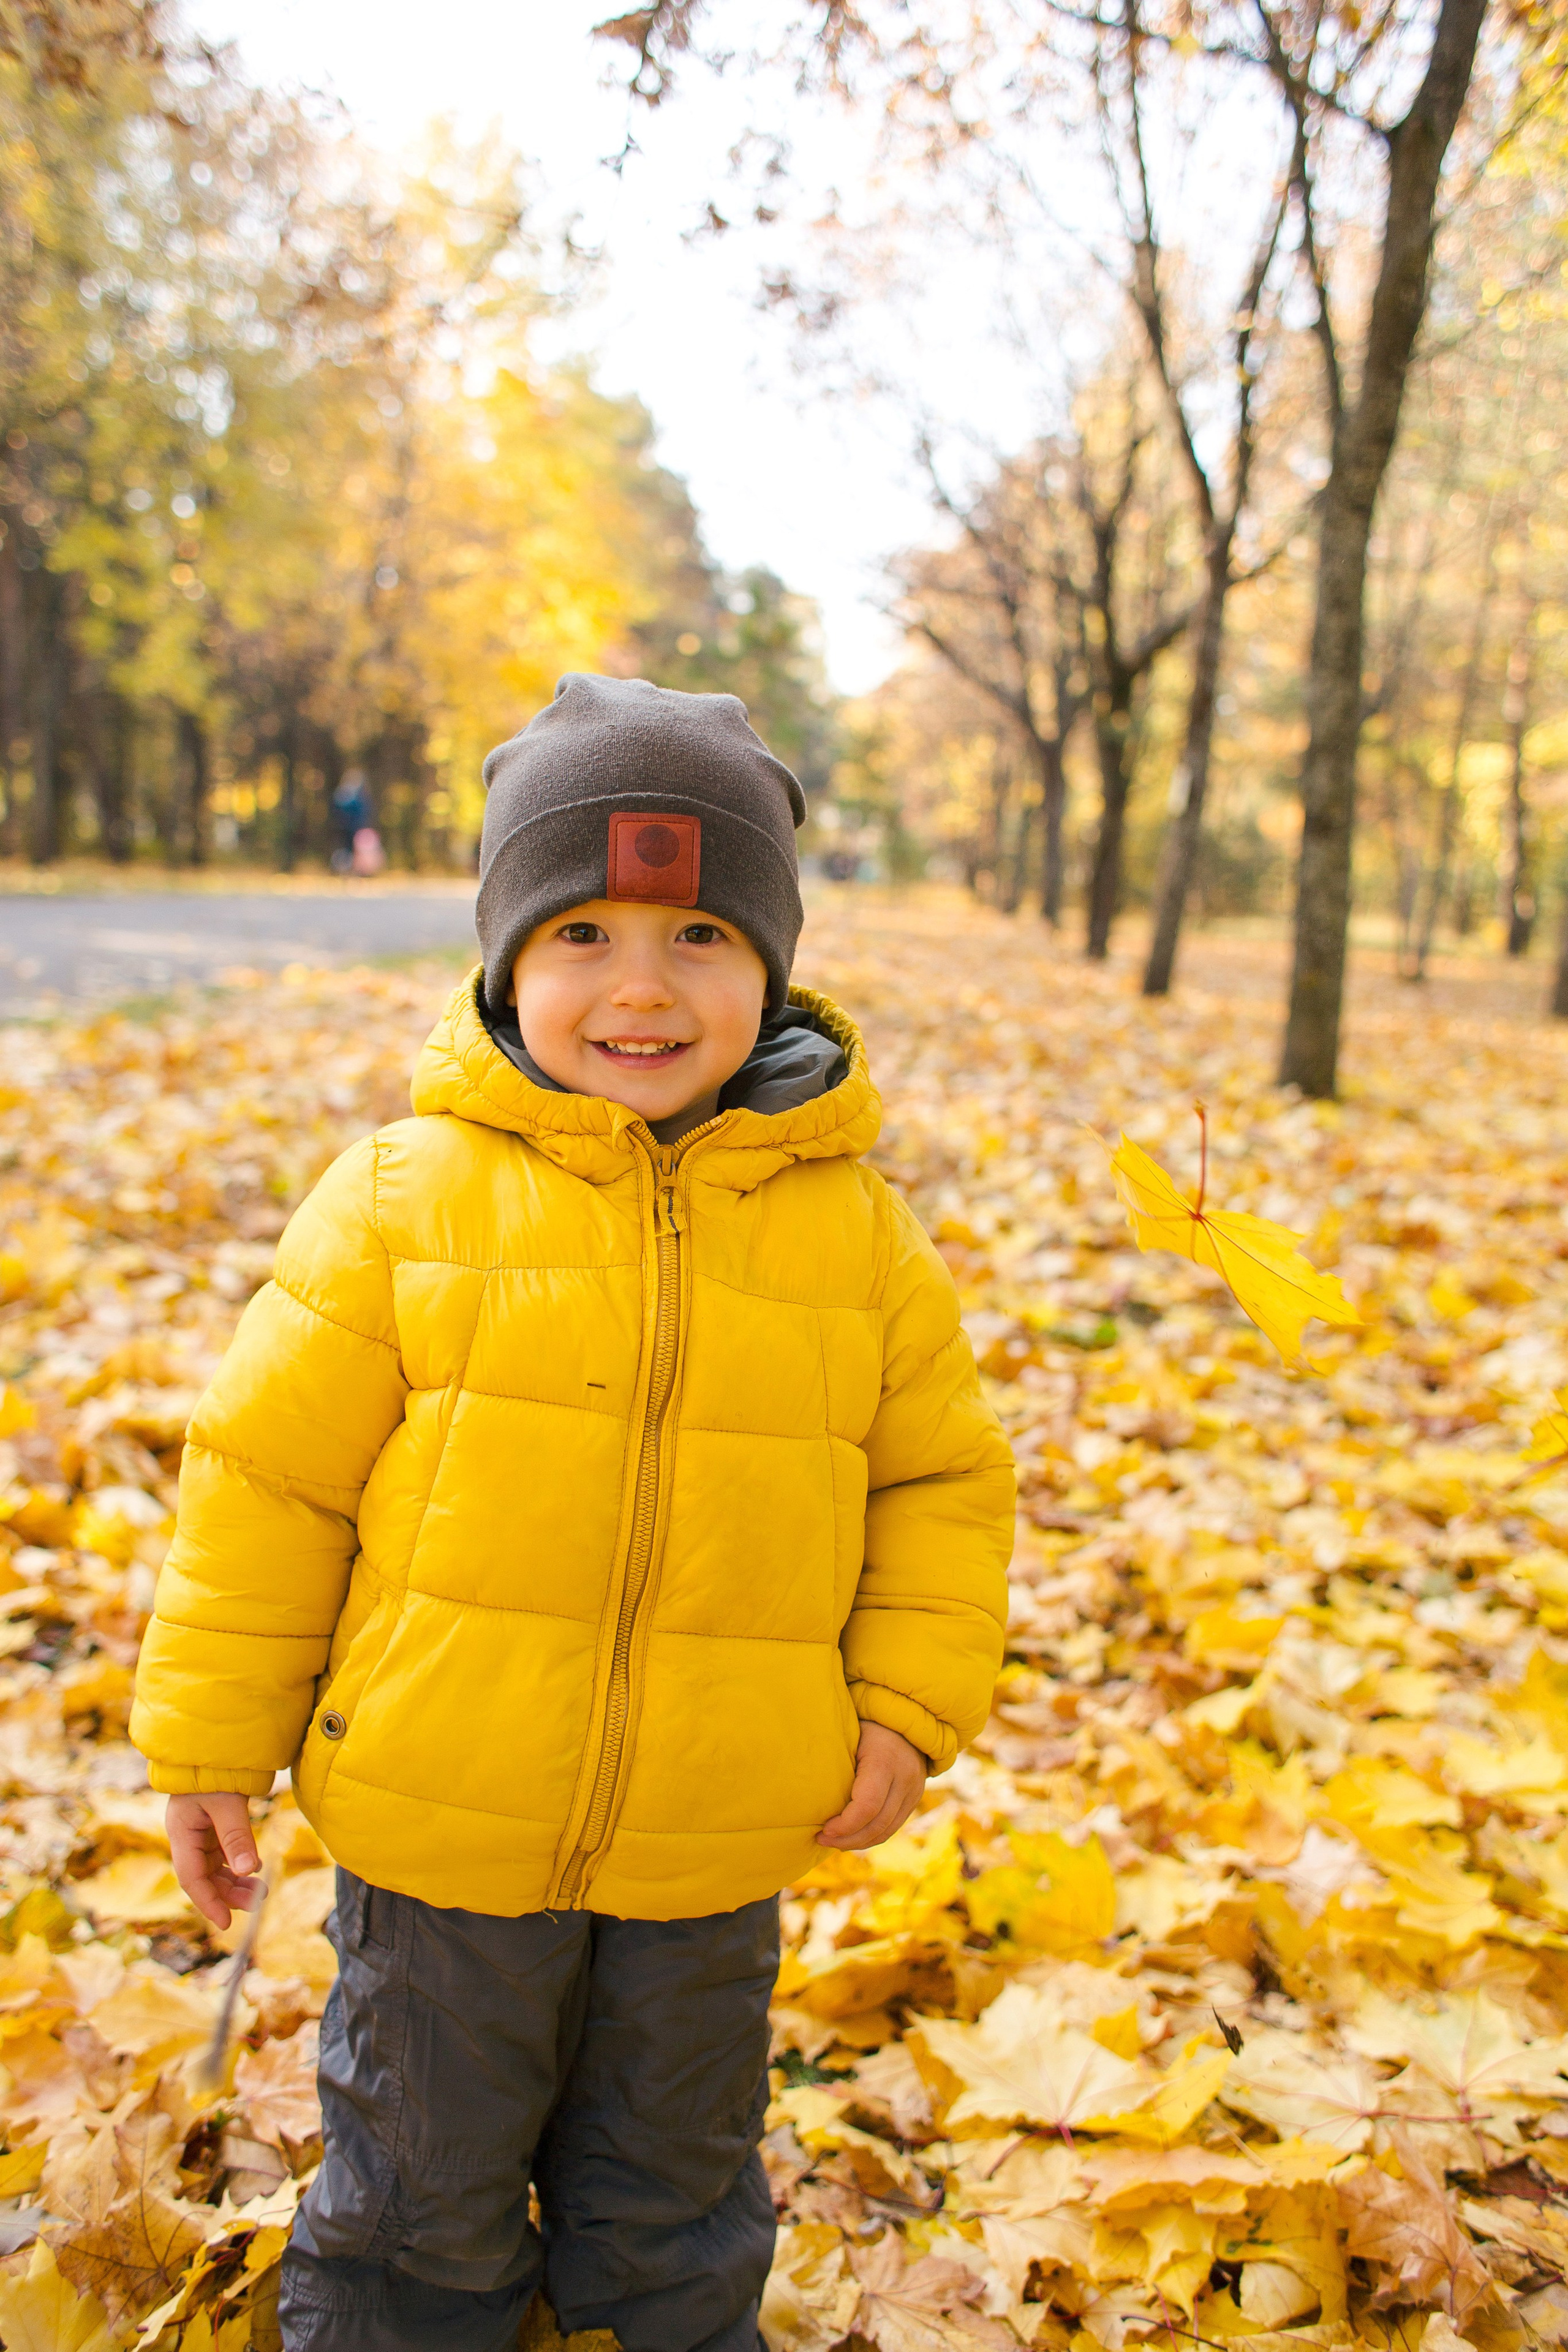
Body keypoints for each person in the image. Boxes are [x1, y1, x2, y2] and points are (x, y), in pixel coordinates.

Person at [130, 674, 1015, 2352]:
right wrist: (208, 1739)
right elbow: (269, 1482)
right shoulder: (402, 1202)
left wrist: (906, 1702)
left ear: (771, 963)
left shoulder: (856, 1235)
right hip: (443, 1826)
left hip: (713, 1845)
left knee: (676, 2199)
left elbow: (943, 1483)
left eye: (698, 937)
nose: (640, 987)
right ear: (505, 959)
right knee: (417, 2200)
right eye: (585, 933)